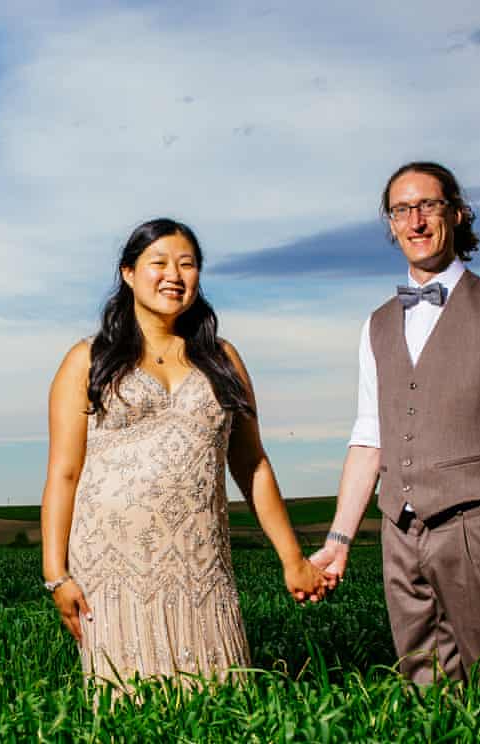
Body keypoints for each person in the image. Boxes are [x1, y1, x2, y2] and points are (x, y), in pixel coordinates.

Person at [41, 217, 327, 688]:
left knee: (221, 704)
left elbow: (251, 464)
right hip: (113, 571)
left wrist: (292, 559)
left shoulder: (222, 358)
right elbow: (64, 473)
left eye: (187, 264)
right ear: (128, 273)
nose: (174, 275)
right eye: (159, 263)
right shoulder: (87, 359)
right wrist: (57, 574)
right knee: (128, 710)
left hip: (201, 562)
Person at [310, 162, 480, 684]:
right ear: (392, 223)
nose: (416, 221)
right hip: (399, 533)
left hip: (478, 526)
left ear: (458, 213)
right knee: (421, 690)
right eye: (402, 210)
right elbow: (368, 440)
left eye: (428, 205)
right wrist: (338, 541)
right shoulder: (377, 323)